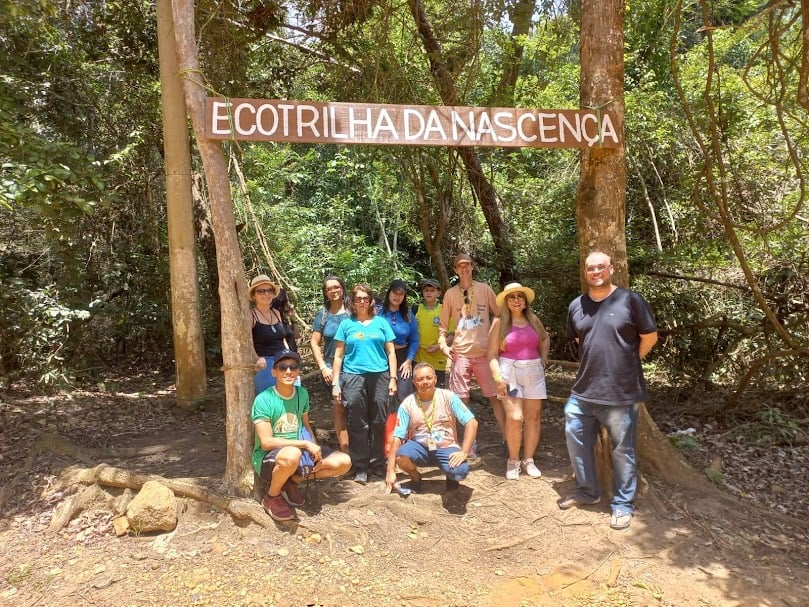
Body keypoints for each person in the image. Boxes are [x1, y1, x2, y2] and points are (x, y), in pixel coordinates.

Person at [559, 251, 658, 531]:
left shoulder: (630, 300)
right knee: (575, 439)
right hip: (584, 391)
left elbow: (650, 336)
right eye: (591, 268)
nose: (596, 272)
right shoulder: (576, 306)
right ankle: (587, 492)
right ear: (585, 272)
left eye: (601, 267)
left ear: (611, 269)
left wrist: (628, 359)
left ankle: (623, 505)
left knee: (622, 450)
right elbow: (580, 339)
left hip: (621, 391)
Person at [252, 349, 352, 521]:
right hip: (270, 456)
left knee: (344, 462)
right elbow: (266, 442)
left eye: (293, 367)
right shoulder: (264, 399)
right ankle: (272, 496)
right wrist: (305, 445)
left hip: (298, 451)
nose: (288, 371)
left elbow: (305, 425)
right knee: (292, 454)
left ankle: (292, 481)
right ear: (273, 372)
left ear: (298, 372)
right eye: (283, 367)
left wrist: (313, 449)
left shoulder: (302, 394)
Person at [331, 284, 398, 484]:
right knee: (357, 421)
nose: (362, 301)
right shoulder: (346, 325)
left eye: (365, 298)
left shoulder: (381, 323)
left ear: (370, 301)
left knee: (379, 419)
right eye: (358, 298)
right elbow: (338, 355)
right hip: (353, 376)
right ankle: (360, 465)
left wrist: (393, 378)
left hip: (380, 376)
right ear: (352, 301)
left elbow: (391, 352)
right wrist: (336, 382)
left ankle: (377, 463)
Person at [487, 283, 550, 480]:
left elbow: (545, 338)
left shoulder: (533, 319)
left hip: (533, 372)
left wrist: (544, 357)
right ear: (506, 301)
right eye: (511, 297)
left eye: (519, 296)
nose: (516, 300)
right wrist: (498, 378)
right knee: (514, 417)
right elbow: (491, 355)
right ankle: (513, 460)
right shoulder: (499, 323)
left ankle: (528, 459)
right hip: (509, 373)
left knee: (534, 417)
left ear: (524, 300)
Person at [438, 253, 502, 446]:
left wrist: (494, 339)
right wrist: (443, 346)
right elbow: (442, 326)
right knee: (461, 400)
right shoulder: (450, 294)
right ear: (455, 270)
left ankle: (509, 440)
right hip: (461, 354)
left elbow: (499, 315)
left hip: (484, 354)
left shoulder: (484, 289)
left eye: (467, 265)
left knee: (496, 398)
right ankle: (468, 444)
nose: (464, 269)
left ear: (472, 267)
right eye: (460, 266)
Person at [385, 362, 478, 494]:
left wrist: (464, 451)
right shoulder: (407, 404)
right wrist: (390, 471)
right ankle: (415, 477)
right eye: (420, 379)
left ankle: (451, 478)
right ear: (414, 382)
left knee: (460, 472)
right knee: (401, 456)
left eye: (429, 378)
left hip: (446, 446)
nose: (425, 382)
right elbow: (398, 436)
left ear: (435, 379)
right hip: (419, 446)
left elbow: (472, 422)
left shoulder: (449, 397)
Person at [310, 275, 351, 452]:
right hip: (331, 369)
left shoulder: (353, 311)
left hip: (354, 367)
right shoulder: (324, 314)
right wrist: (322, 367)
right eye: (329, 289)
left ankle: (362, 453)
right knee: (339, 410)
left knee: (358, 410)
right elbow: (314, 342)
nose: (334, 291)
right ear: (325, 293)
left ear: (342, 288)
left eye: (336, 287)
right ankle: (346, 453)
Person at [249, 274, 295, 393]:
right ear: (254, 295)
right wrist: (257, 358)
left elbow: (283, 338)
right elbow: (247, 341)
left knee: (291, 398)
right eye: (261, 291)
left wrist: (290, 357)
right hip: (265, 364)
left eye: (269, 290)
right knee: (269, 402)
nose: (266, 294)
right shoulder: (251, 315)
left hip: (284, 360)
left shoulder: (276, 313)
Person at [378, 279, 419, 403]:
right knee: (384, 396)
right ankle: (386, 422)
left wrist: (409, 361)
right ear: (389, 293)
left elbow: (414, 340)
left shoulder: (408, 315)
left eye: (401, 294)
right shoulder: (378, 314)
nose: (397, 296)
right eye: (395, 292)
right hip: (382, 357)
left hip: (403, 359)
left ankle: (405, 421)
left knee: (404, 395)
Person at [413, 279, 453, 388]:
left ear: (438, 293)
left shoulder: (445, 310)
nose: (429, 293)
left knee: (436, 392)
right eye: (426, 290)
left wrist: (438, 346)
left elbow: (452, 335)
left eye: (432, 290)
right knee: (419, 390)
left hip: (438, 360)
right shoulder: (416, 309)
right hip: (418, 358)